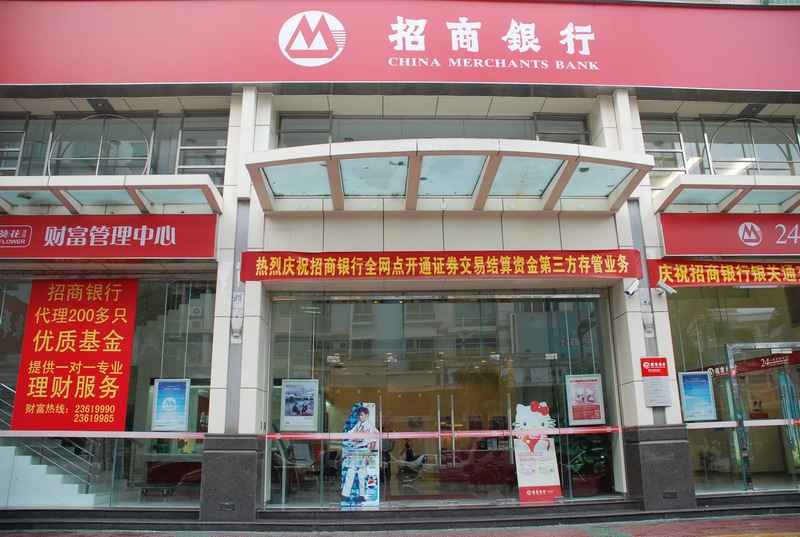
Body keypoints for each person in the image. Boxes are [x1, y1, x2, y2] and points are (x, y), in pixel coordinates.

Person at [341, 405, 377, 504]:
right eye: (359, 415)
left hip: (363, 450)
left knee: (360, 474)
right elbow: (351, 432)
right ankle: (348, 495)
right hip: (356, 450)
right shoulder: (359, 423)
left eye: (361, 415)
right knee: (353, 473)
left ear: (367, 415)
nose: (360, 417)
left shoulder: (369, 426)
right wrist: (349, 435)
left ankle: (360, 495)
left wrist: (369, 457)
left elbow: (373, 442)